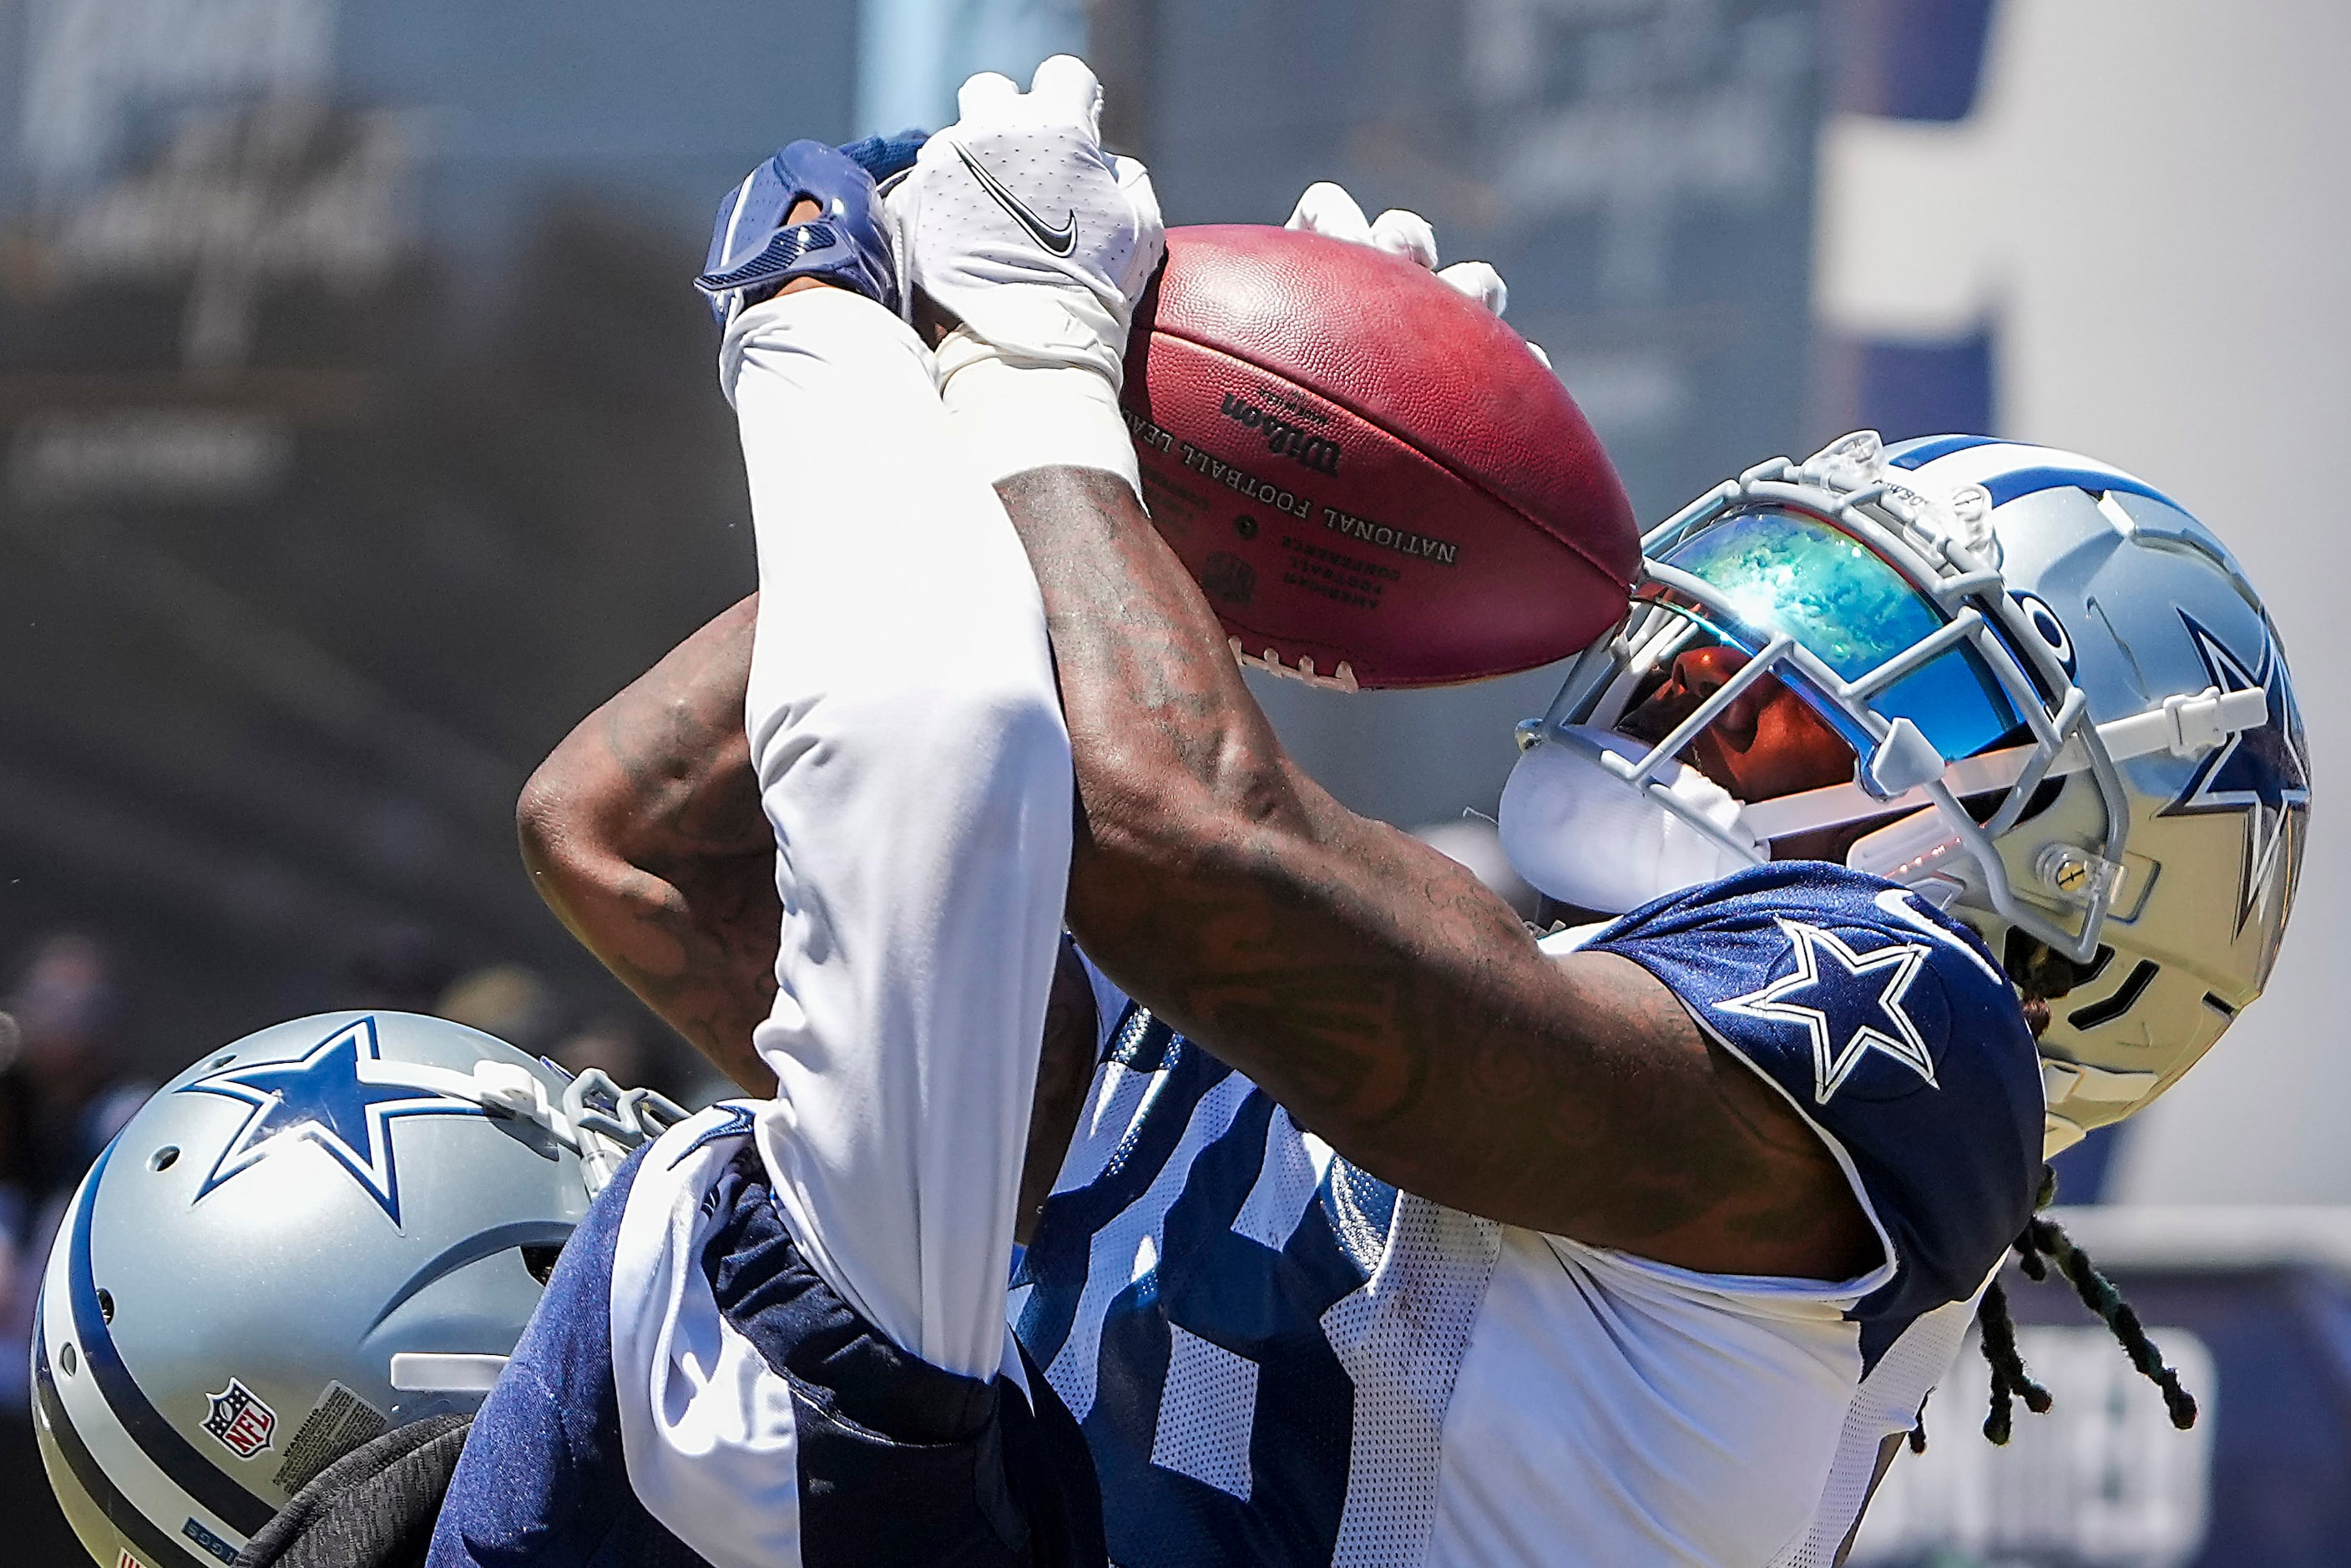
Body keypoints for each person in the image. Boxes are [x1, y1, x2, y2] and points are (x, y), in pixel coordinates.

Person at [523, 69, 2308, 1568]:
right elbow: (642, 834)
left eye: (1863, 641)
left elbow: (1182, 841)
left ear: (2064, 878)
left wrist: (1038, 391)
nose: (1729, 639)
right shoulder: (1388, 968)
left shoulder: (1915, 1057)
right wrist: (1123, 460)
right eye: (1769, 574)